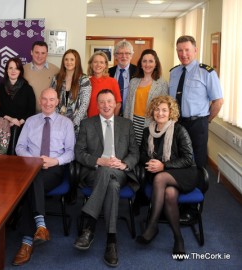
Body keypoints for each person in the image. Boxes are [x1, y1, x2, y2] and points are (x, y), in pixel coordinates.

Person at [73, 89, 139, 267]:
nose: (106, 105)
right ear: (97, 104)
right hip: (94, 172)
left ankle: (89, 226)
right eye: (102, 102)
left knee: (109, 173)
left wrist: (124, 165)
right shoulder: (87, 124)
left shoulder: (126, 124)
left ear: (115, 104)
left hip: (120, 171)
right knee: (111, 185)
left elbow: (135, 152)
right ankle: (111, 241)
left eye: (109, 101)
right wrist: (98, 160)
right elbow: (78, 152)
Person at [12, 88, 75, 266]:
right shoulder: (31, 121)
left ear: (57, 102)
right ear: (40, 101)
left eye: (52, 100)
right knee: (34, 177)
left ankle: (27, 242)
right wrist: (35, 160)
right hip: (32, 166)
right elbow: (20, 147)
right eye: (45, 99)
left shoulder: (66, 123)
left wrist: (55, 161)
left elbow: (71, 152)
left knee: (32, 183)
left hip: (54, 168)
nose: (48, 103)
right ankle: (40, 226)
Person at [136, 95, 199, 259]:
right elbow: (142, 155)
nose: (160, 113)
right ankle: (179, 239)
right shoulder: (146, 132)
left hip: (184, 173)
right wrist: (150, 163)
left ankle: (152, 225)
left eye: (164, 110)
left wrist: (164, 166)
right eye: (157, 109)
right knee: (170, 194)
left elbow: (187, 158)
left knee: (161, 178)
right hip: (157, 172)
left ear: (171, 112)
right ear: (152, 112)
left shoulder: (179, 130)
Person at [169, 35, 223, 168]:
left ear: (195, 50)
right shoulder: (174, 72)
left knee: (198, 159)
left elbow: (218, 101)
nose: (183, 54)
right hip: (176, 122)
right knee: (177, 156)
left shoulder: (206, 72)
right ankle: (181, 185)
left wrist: (206, 120)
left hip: (197, 124)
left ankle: (198, 187)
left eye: (187, 50)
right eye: (180, 50)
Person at [124, 49, 168, 145]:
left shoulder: (162, 83)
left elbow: (164, 108)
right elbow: (128, 104)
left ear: (156, 64)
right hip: (133, 121)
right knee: (133, 149)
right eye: (144, 61)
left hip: (151, 123)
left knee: (147, 150)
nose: (147, 64)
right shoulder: (133, 81)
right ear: (140, 63)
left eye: (151, 61)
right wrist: (126, 124)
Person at [50, 49, 91, 135]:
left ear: (77, 61)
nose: (69, 62)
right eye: (66, 59)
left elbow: (84, 104)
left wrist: (73, 124)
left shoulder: (84, 79)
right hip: (58, 124)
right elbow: (51, 100)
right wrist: (58, 119)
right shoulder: (56, 78)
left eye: (72, 59)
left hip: (78, 126)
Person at [0, 57, 36, 127]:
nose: (13, 71)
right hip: (2, 126)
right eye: (10, 68)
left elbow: (31, 111)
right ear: (7, 70)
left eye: (16, 68)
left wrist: (19, 122)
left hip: (23, 127)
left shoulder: (28, 89)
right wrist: (10, 119)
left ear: (20, 71)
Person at [23, 41, 59, 112]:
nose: (40, 56)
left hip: (49, 113)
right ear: (31, 52)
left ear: (47, 54)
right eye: (37, 52)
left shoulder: (56, 70)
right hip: (28, 114)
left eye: (43, 53)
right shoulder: (23, 70)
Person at [87, 51, 122, 117]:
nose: (98, 65)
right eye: (95, 62)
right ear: (91, 64)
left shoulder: (112, 82)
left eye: (101, 62)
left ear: (105, 65)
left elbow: (118, 104)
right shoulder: (86, 82)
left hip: (107, 122)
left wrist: (112, 120)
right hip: (90, 122)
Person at [109, 40, 137, 114]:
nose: (124, 56)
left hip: (131, 113)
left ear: (131, 55)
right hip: (111, 113)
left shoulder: (138, 72)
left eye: (127, 53)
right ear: (115, 56)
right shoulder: (108, 72)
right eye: (120, 53)